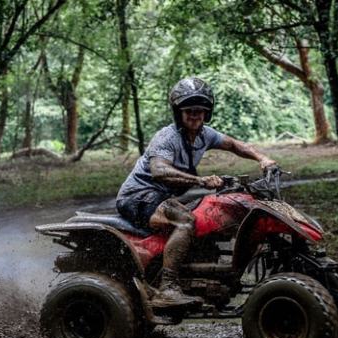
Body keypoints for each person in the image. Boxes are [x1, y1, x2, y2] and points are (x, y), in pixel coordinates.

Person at [116, 77, 277, 308]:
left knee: (210, 211)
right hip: (139, 195)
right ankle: (167, 288)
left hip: (164, 197)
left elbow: (233, 144)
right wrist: (200, 180)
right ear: (178, 112)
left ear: (207, 113)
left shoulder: (205, 135)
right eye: (190, 110)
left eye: (201, 111)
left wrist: (263, 158)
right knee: (185, 221)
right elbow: (159, 170)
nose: (195, 115)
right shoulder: (167, 137)